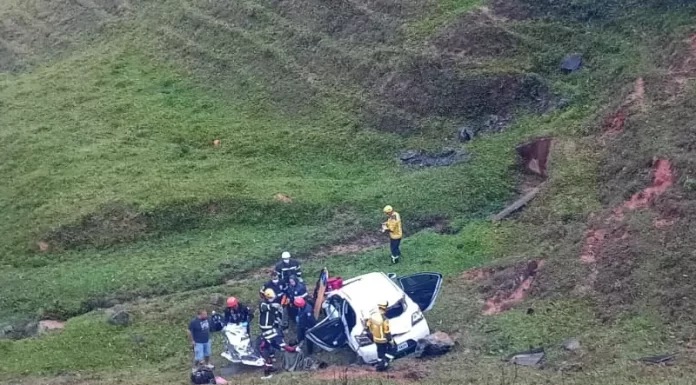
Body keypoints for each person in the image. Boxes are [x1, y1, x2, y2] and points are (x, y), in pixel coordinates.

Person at [258, 288, 299, 379]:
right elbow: (266, 308)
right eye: (271, 298)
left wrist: (279, 318)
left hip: (269, 329)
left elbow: (276, 316)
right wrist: (294, 350)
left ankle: (269, 368)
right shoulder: (263, 304)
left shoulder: (271, 305)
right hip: (267, 330)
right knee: (274, 347)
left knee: (269, 350)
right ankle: (267, 373)